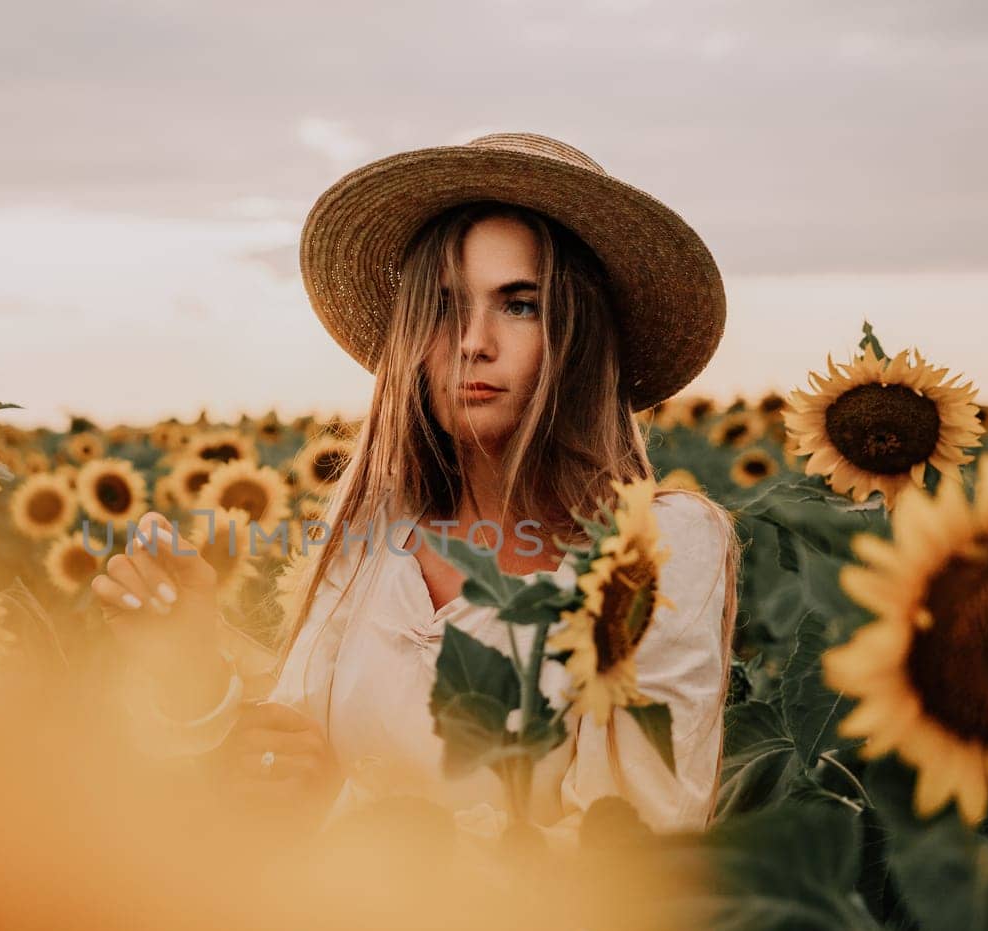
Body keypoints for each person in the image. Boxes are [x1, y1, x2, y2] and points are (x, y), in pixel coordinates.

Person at [94, 132, 738, 841]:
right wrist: (189, 665)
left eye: (520, 303)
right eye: (443, 304)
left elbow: (630, 858)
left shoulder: (658, 548)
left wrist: (370, 832)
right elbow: (283, 758)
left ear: (580, 334)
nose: (472, 340)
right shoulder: (375, 522)